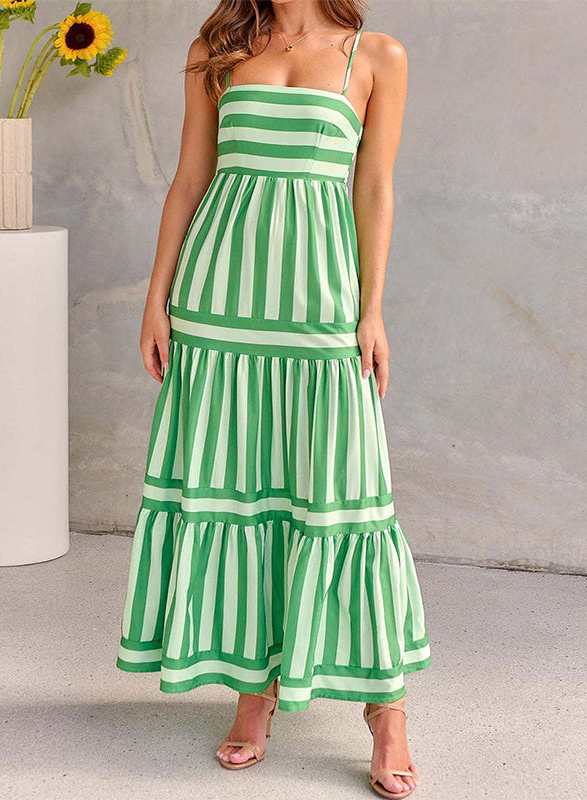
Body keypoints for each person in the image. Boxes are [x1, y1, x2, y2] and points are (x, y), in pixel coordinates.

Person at [115, 2, 430, 797]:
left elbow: (377, 188)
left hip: (320, 302)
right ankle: (254, 695)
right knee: (242, 495)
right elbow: (190, 181)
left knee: (344, 500)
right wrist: (157, 300)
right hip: (220, 300)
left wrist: (372, 310)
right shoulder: (216, 49)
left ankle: (385, 710)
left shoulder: (378, 55)